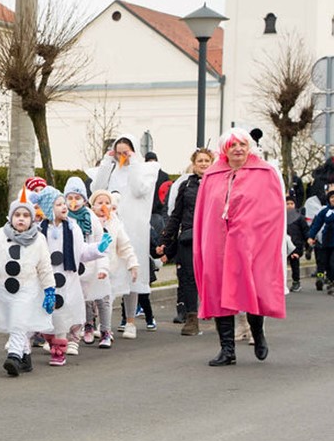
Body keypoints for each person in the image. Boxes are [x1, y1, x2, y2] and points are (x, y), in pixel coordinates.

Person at [193, 128, 286, 367]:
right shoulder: (212, 176)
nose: (238, 149)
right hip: (218, 243)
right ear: (224, 150)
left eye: (242, 144)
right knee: (218, 290)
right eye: (232, 145)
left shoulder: (265, 173)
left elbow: (273, 212)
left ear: (249, 147)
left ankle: (258, 333)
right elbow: (204, 212)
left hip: (251, 244)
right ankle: (227, 349)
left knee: (252, 288)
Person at [0, 188, 55, 377]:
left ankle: (13, 356)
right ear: (10, 217)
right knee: (13, 320)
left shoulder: (39, 240)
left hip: (27, 288)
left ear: (32, 219)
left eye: (26, 215)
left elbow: (45, 267)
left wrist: (50, 290)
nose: (21, 219)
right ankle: (26, 356)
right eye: (17, 215)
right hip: (3, 287)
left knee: (19, 321)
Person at [89, 134, 159, 339]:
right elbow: (96, 189)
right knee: (105, 271)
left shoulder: (143, 170)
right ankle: (102, 322)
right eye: (118, 153)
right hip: (109, 225)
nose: (122, 157)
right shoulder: (112, 170)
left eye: (124, 153)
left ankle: (130, 321)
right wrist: (107, 161)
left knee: (131, 275)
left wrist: (134, 162)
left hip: (132, 227)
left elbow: (139, 190)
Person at [33, 186, 109, 366]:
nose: (64, 206)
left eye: (63, 203)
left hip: (67, 278)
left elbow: (81, 251)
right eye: (58, 204)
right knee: (44, 313)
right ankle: (35, 345)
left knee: (64, 314)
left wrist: (98, 248)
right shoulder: (38, 231)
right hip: (45, 279)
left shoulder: (72, 228)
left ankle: (60, 350)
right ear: (48, 208)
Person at [156, 148, 214, 336]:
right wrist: (165, 239)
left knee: (213, 277)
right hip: (189, 237)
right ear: (194, 164)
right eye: (200, 161)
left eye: (207, 160)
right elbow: (176, 215)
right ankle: (191, 318)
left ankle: (219, 314)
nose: (203, 164)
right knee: (189, 278)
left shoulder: (218, 183)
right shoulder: (186, 185)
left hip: (213, 237)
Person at [87, 190, 139, 349]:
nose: (103, 206)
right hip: (89, 268)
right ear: (93, 205)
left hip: (107, 270)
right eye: (99, 203)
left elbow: (124, 245)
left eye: (107, 203)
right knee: (87, 300)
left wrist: (133, 264)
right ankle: (88, 325)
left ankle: (105, 331)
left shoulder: (115, 224)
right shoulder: (87, 221)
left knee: (104, 300)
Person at [63, 177, 107, 354]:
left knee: (78, 303)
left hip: (85, 269)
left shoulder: (91, 219)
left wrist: (102, 267)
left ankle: (75, 335)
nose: (73, 202)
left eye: (77, 198)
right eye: (70, 198)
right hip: (65, 268)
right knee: (62, 302)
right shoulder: (61, 216)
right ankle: (59, 335)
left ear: (84, 199)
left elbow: (99, 244)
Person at [307, 190, 334, 294]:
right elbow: (317, 224)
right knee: (325, 263)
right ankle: (328, 279)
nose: (333, 199)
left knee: (333, 263)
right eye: (331, 197)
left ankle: (332, 282)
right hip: (326, 240)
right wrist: (311, 236)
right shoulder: (324, 211)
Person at [285, 194, 308, 293]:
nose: (290, 205)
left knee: (295, 263)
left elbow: (305, 231)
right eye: (287, 204)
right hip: (284, 245)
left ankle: (296, 281)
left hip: (296, 245)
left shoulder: (300, 218)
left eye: (292, 203)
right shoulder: (280, 217)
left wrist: (307, 245)